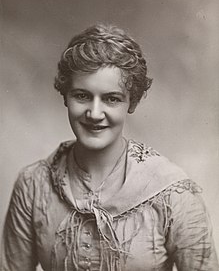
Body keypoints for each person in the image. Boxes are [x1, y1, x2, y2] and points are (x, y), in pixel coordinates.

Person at [1, 24, 218, 271]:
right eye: (81, 96)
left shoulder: (172, 194)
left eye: (111, 99)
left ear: (132, 102)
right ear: (65, 96)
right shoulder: (33, 186)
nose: (94, 113)